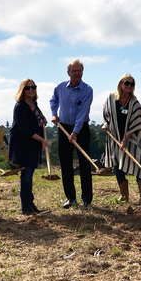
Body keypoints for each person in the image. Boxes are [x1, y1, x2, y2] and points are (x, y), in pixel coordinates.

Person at [50, 59, 94, 210]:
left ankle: (87, 200)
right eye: (74, 71)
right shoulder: (60, 87)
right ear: (68, 73)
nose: (77, 74)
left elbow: (82, 114)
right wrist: (54, 114)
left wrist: (75, 132)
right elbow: (53, 100)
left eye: (79, 71)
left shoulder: (88, 90)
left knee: (84, 164)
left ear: (82, 72)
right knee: (66, 164)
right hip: (63, 128)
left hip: (81, 130)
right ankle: (71, 198)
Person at [102, 73, 141, 204]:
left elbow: (138, 122)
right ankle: (124, 196)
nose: (129, 86)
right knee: (117, 164)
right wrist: (105, 125)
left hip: (131, 138)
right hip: (114, 137)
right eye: (126, 83)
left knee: (139, 164)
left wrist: (126, 139)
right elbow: (106, 114)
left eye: (132, 84)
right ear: (121, 84)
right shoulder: (111, 98)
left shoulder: (134, 103)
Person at [9, 79, 50, 216]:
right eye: (28, 88)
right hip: (23, 146)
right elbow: (24, 129)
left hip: (33, 145)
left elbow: (38, 118)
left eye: (34, 87)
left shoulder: (34, 104)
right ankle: (26, 207)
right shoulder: (20, 106)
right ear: (23, 90)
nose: (31, 90)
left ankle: (30, 204)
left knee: (29, 175)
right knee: (26, 176)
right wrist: (42, 140)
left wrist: (43, 120)